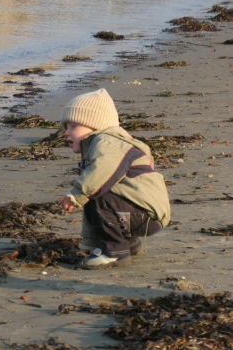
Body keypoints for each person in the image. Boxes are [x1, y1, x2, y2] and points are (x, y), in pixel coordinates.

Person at [57, 88, 171, 270]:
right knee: (98, 193)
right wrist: (90, 242)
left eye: (74, 126)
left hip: (145, 215)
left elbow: (103, 173)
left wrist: (77, 193)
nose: (67, 133)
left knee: (98, 193)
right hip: (139, 213)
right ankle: (128, 243)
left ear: (95, 124)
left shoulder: (107, 143)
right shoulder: (101, 145)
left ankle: (115, 251)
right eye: (66, 127)